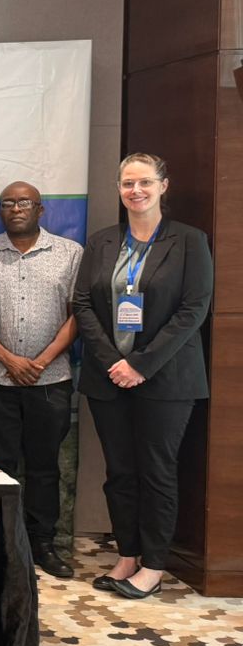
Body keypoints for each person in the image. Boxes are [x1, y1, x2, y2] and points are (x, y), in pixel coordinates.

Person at [73, 153, 212, 600]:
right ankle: (127, 555)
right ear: (118, 189)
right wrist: (113, 360)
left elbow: (194, 310)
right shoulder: (102, 242)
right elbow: (82, 304)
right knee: (120, 472)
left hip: (166, 380)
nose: (136, 191)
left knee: (156, 471)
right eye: (127, 183)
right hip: (108, 376)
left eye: (145, 182)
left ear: (163, 185)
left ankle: (153, 565)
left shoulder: (190, 241)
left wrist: (141, 364)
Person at [0, 182, 82, 578]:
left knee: (43, 466)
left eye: (24, 202)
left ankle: (42, 544)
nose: (15, 208)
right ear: (0, 211)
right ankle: (1, 542)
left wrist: (41, 360)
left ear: (40, 209)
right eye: (7, 203)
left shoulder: (70, 253)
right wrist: (9, 359)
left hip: (50, 379)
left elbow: (77, 315)